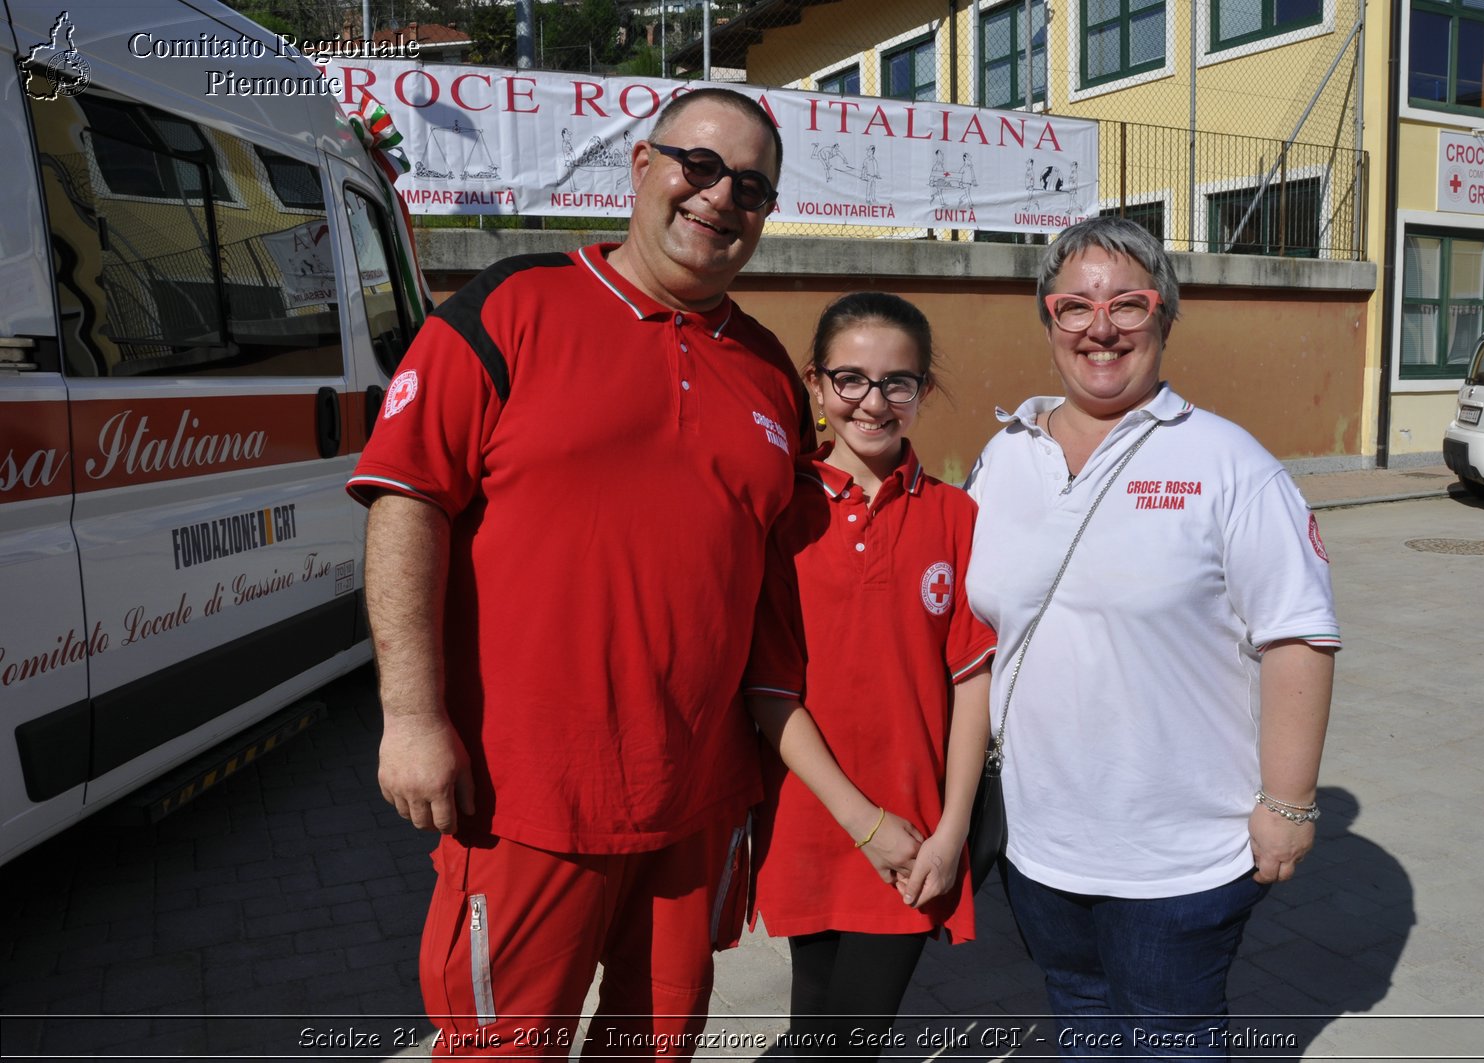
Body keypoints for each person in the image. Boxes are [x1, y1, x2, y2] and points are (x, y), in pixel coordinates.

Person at [346, 88, 810, 1059]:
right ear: (641, 167)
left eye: (753, 187)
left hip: (697, 798)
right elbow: (405, 502)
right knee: (502, 1049)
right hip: (524, 801)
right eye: (700, 165)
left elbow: (775, 587)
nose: (721, 197)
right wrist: (413, 716)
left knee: (656, 1047)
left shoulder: (769, 371)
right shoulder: (514, 307)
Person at [964, 216, 1339, 1058]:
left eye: (1128, 304)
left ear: (1165, 316)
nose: (1102, 328)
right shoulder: (1004, 455)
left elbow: (1299, 638)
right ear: (1049, 319)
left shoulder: (1229, 463)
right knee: (1082, 1027)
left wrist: (1288, 803)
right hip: (1041, 847)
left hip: (1178, 856)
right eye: (1075, 307)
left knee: (1170, 1041)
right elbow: (979, 632)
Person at [743, 292, 996, 1056]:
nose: (873, 401)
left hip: (917, 835)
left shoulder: (959, 516)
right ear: (815, 386)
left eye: (898, 382)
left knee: (850, 1036)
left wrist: (951, 831)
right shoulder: (781, 512)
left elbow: (970, 683)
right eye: (850, 379)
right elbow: (770, 691)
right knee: (815, 1026)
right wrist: (864, 824)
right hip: (811, 821)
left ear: (923, 390)